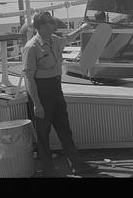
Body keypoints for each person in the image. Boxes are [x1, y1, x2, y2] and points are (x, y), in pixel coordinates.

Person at [22, 11, 97, 177]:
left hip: (56, 88)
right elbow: (28, 77)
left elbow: (68, 39)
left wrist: (81, 29)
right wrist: (37, 104)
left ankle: (76, 164)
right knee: (42, 132)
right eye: (49, 22)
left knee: (64, 128)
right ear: (40, 26)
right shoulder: (31, 47)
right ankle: (48, 169)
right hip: (40, 91)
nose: (53, 24)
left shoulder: (54, 40)